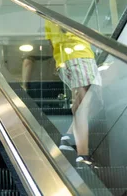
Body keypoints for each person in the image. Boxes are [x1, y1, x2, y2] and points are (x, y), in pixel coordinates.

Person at [44, 20, 101, 169]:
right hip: (79, 56)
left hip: (68, 59)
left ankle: (68, 139)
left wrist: (58, 63)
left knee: (88, 102)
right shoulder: (60, 12)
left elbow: (52, 43)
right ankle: (82, 156)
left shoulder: (49, 18)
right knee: (85, 103)